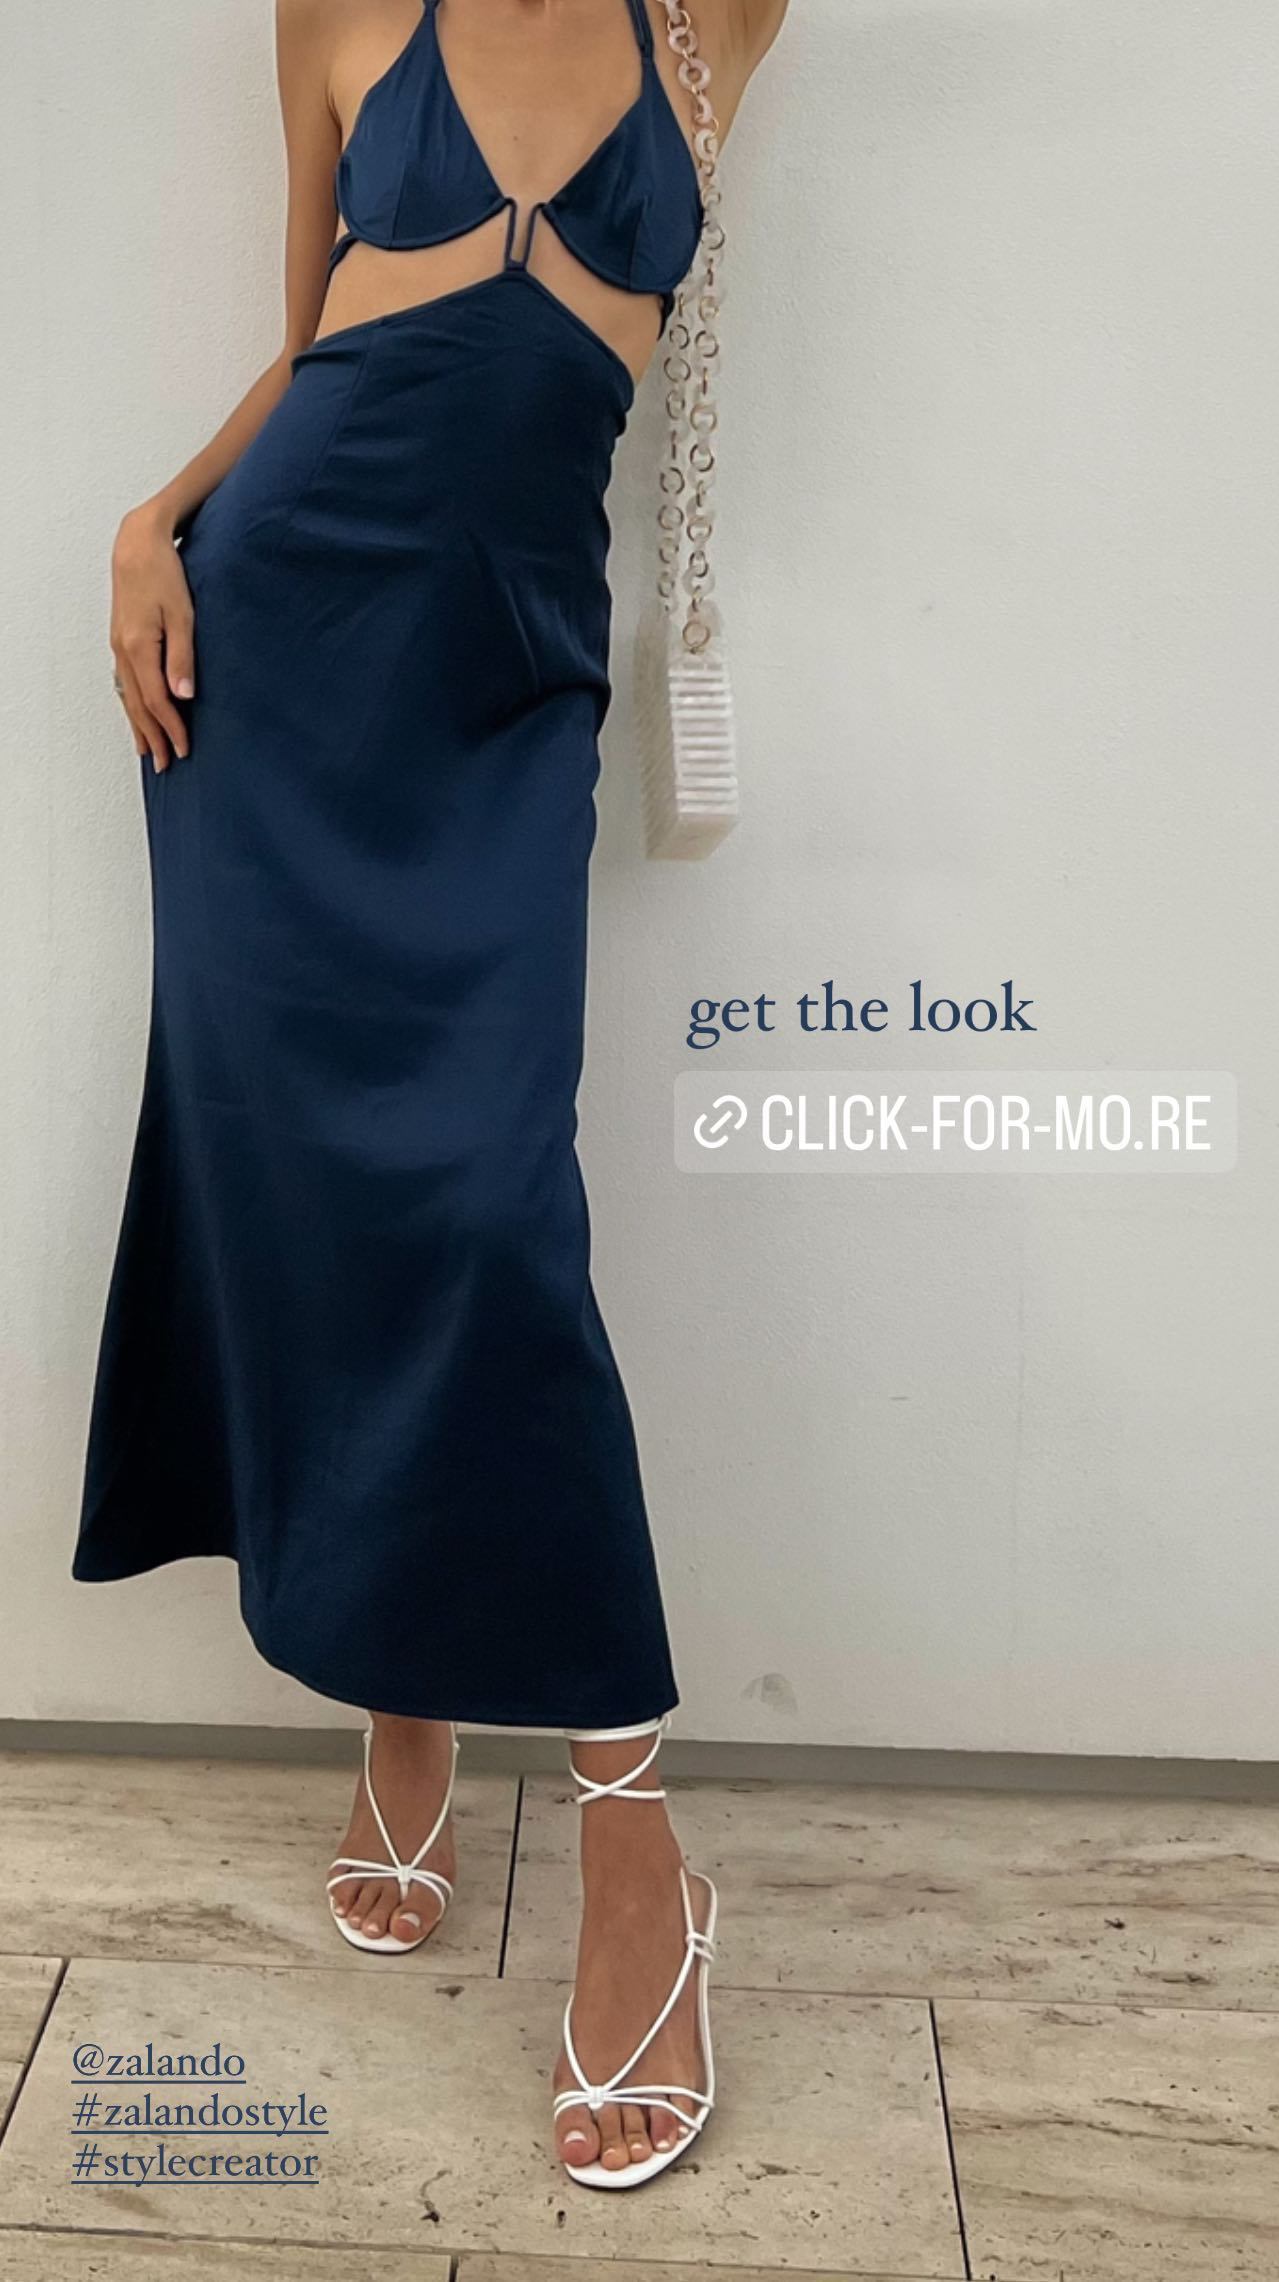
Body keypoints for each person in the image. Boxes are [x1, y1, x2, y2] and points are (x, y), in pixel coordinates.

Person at [74, 0, 786, 2189]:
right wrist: (154, 515)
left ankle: (637, 1841)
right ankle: (410, 1706)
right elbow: (308, 348)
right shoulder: (337, 11)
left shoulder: (714, 18)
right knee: (315, 1194)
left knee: (486, 1207)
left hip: (509, 682)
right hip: (274, 655)